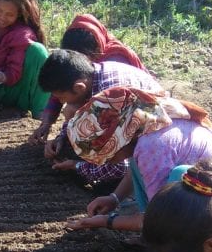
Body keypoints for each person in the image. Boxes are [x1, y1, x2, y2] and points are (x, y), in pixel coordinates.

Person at [63, 87, 212, 233]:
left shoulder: (152, 146)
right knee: (139, 164)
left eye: (104, 155)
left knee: (179, 177)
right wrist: (114, 198)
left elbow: (157, 216)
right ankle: (154, 237)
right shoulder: (149, 123)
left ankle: (175, 244)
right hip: (208, 201)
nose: (106, 161)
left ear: (117, 139)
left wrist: (108, 221)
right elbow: (136, 169)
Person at [36, 49, 164, 188]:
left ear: (79, 87)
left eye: (61, 97)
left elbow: (121, 166)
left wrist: (77, 166)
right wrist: (62, 138)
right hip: (139, 122)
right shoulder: (90, 74)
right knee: (71, 112)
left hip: (157, 139)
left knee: (107, 184)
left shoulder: (111, 101)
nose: (61, 101)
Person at [27, 14, 148, 146]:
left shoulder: (115, 62)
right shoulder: (87, 74)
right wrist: (48, 124)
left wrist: (79, 163)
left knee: (74, 111)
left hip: (138, 118)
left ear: (95, 51)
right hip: (117, 107)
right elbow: (60, 86)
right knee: (74, 112)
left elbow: (113, 140)